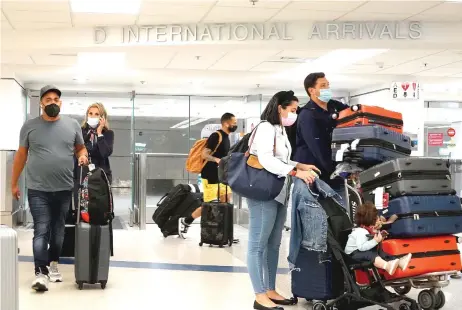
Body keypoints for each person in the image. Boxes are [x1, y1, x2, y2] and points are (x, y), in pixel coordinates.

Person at [246, 91, 320, 310]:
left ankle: (270, 289)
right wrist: (295, 172)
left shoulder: (279, 129)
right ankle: (259, 296)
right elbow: (266, 160)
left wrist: (300, 165)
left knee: (273, 244)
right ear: (280, 107)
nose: (294, 114)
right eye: (293, 110)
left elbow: (282, 159)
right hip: (262, 192)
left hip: (278, 191)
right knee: (257, 245)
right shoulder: (265, 128)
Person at [11, 85, 89, 292]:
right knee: (41, 229)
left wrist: (82, 155)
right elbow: (21, 156)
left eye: (56, 99)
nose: (52, 102)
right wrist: (13, 183)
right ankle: (40, 272)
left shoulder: (72, 125)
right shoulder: (30, 126)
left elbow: (80, 148)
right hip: (38, 188)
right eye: (48, 99)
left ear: (60, 103)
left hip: (64, 187)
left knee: (58, 231)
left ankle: (54, 263)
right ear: (41, 103)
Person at [178, 113, 237, 238]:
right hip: (210, 175)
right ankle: (187, 220)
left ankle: (224, 232)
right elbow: (204, 154)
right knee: (209, 205)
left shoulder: (227, 137)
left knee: (226, 201)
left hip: (222, 176)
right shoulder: (216, 136)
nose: (235, 125)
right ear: (226, 123)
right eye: (234, 123)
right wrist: (216, 160)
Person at [293, 72, 349, 183]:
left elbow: (354, 114)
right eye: (323, 86)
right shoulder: (307, 115)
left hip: (334, 170)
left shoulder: (335, 106)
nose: (327, 88)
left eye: (328, 85)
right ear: (311, 90)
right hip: (314, 174)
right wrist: (340, 173)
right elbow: (319, 149)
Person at [345, 202, 412, 276]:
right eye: (376, 218)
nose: (379, 220)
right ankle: (386, 266)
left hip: (360, 252)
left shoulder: (367, 230)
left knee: (381, 253)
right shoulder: (360, 231)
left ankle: (397, 261)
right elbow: (362, 247)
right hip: (352, 255)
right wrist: (375, 241)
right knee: (370, 254)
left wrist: (380, 237)